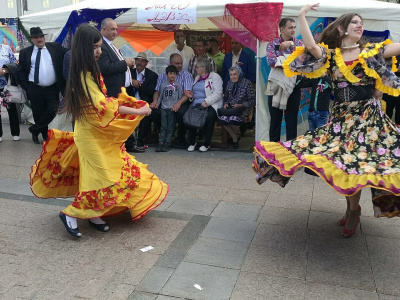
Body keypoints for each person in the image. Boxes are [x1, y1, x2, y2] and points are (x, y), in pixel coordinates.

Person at [253, 3, 400, 238]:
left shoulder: (371, 52)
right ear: (342, 29)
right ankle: (352, 207)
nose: (359, 25)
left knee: (356, 165)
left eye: (361, 23)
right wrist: (302, 14)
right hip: (341, 118)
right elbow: (310, 46)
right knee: (341, 164)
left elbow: (397, 48)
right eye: (354, 22)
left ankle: (353, 211)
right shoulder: (331, 56)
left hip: (367, 119)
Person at [30, 25, 168, 238]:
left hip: (96, 132)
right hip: (89, 134)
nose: (99, 51)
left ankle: (94, 214)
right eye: (95, 47)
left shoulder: (89, 69)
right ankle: (71, 214)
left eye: (100, 47)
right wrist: (138, 109)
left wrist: (127, 103)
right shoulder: (83, 72)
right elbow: (101, 105)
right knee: (103, 176)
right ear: (85, 48)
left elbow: (103, 103)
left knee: (98, 176)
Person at [97, 18, 144, 153]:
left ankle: (126, 145)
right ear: (104, 29)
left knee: (121, 119)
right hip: (111, 91)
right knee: (114, 120)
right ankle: (115, 147)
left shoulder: (111, 45)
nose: (115, 32)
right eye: (112, 29)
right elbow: (105, 68)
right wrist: (125, 63)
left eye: (116, 29)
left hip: (121, 89)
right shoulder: (102, 47)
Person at [18, 27, 68, 144]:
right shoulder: (25, 52)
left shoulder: (54, 48)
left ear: (44, 37)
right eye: (36, 37)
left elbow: (69, 52)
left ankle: (34, 129)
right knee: (38, 112)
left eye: (41, 36)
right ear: (32, 39)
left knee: (52, 110)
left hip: (52, 88)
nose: (39, 39)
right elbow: (21, 71)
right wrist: (27, 87)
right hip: (34, 88)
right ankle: (43, 134)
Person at [264, 18, 304, 142]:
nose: (293, 30)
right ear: (282, 29)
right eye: (290, 27)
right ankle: (273, 153)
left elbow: (302, 62)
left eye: (294, 27)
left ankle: (290, 152)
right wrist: (291, 61)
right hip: (276, 85)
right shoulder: (272, 44)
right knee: (275, 120)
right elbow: (272, 61)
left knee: (291, 120)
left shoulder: (299, 44)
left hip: (293, 86)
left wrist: (291, 45)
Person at [151, 53, 193, 147]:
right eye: (177, 63)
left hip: (181, 101)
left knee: (181, 113)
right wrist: (155, 101)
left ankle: (181, 137)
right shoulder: (163, 75)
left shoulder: (186, 75)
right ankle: (162, 135)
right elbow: (157, 91)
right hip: (165, 101)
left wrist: (178, 104)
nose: (180, 65)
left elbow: (187, 94)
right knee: (154, 111)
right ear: (171, 63)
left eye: (181, 63)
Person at [185, 58, 223, 152]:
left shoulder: (215, 77)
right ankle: (192, 142)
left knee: (209, 116)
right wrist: (191, 96)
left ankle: (207, 143)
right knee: (190, 115)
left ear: (204, 68)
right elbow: (195, 93)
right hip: (197, 103)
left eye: (197, 67)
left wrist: (206, 102)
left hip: (211, 103)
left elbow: (218, 93)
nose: (195, 69)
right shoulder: (197, 77)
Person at [219, 66, 255, 149]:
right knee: (223, 119)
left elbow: (252, 100)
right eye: (231, 75)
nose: (233, 77)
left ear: (240, 73)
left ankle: (234, 139)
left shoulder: (247, 83)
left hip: (243, 108)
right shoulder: (229, 83)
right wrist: (226, 103)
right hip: (231, 108)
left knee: (233, 119)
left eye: (235, 74)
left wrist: (241, 105)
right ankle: (234, 136)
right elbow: (226, 97)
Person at [131, 52, 159, 148]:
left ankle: (140, 140)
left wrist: (138, 85)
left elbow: (150, 91)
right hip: (130, 101)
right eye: (137, 60)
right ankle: (128, 140)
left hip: (144, 102)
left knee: (147, 113)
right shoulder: (129, 73)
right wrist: (131, 81)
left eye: (142, 61)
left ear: (146, 63)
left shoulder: (152, 75)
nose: (139, 63)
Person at [156, 65, 183, 152]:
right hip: (164, 108)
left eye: (174, 74)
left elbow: (179, 97)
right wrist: (158, 104)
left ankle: (167, 143)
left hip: (172, 109)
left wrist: (177, 105)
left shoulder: (178, 85)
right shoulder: (163, 85)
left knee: (170, 127)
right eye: (170, 73)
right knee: (163, 126)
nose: (172, 75)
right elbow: (160, 97)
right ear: (166, 74)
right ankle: (160, 143)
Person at [0, 42, 20, 142]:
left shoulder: (6, 49)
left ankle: (15, 133)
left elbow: (14, 65)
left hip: (6, 86)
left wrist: (4, 71)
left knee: (11, 108)